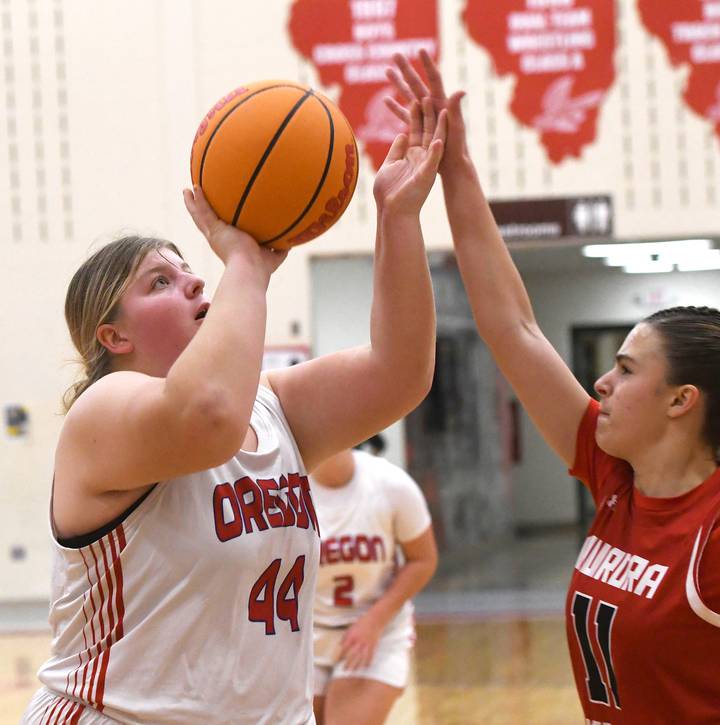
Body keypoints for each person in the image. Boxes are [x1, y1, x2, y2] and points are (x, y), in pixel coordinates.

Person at [22, 97, 447, 725]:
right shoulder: (102, 413)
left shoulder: (271, 409)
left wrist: (398, 217)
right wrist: (245, 263)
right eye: (159, 282)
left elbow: (401, 373)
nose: (195, 282)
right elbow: (208, 416)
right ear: (113, 337)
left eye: (191, 269)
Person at [387, 51, 720, 723]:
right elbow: (513, 327)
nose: (602, 379)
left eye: (628, 369)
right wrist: (454, 167)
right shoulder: (616, 478)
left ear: (681, 400)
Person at [309, 447, 437, 725]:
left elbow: (423, 559)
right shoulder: (286, 493)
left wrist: (375, 620)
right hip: (309, 637)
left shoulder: (391, 485)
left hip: (378, 633)